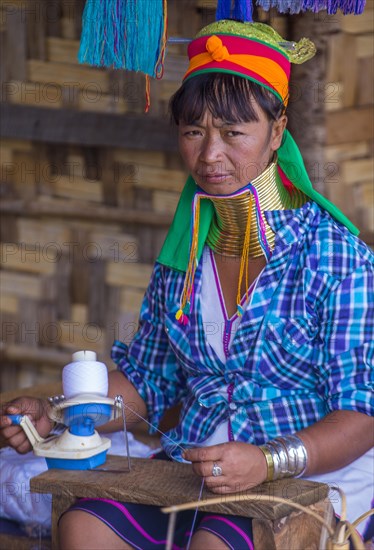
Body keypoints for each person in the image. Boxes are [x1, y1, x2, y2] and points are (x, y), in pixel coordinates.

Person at [1, 20, 373, 550]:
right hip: (191, 474)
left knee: (216, 545)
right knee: (83, 528)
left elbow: (362, 412)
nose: (210, 154)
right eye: (194, 131)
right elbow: (149, 380)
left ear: (277, 130)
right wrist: (57, 411)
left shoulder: (337, 258)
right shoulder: (186, 255)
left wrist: (268, 458)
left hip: (307, 479)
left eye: (233, 132)